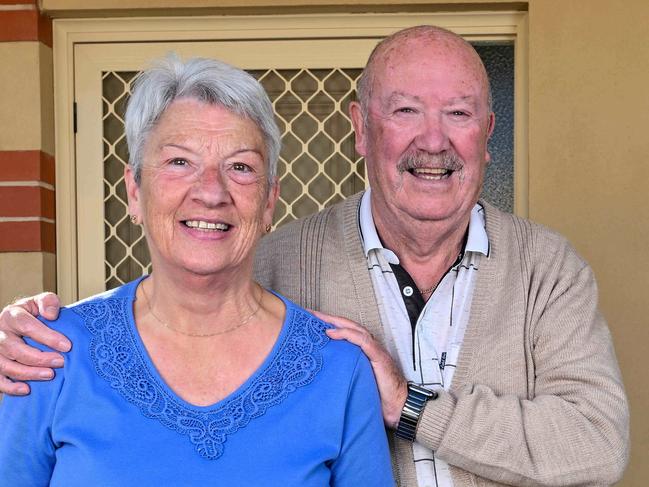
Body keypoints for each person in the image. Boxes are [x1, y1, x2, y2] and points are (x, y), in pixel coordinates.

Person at [0, 25, 629, 487]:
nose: (433, 142)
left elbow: (599, 446)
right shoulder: (274, 262)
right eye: (405, 111)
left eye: (458, 113)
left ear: (487, 134)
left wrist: (409, 406)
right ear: (360, 129)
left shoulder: (549, 272)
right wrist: (30, 328)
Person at [0, 55, 394, 486]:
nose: (210, 192)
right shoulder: (47, 352)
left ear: (268, 201)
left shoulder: (336, 368)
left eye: (240, 167)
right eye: (179, 163)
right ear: (135, 191)